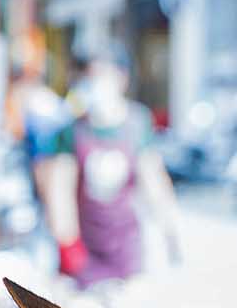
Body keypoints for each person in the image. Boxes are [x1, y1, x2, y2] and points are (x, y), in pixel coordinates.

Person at [65, 54, 182, 288]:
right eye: (91, 76)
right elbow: (60, 192)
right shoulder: (72, 129)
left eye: (103, 75)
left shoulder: (136, 123)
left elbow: (153, 180)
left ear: (122, 79)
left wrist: (171, 232)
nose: (96, 82)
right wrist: (68, 247)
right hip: (86, 250)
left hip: (126, 249)